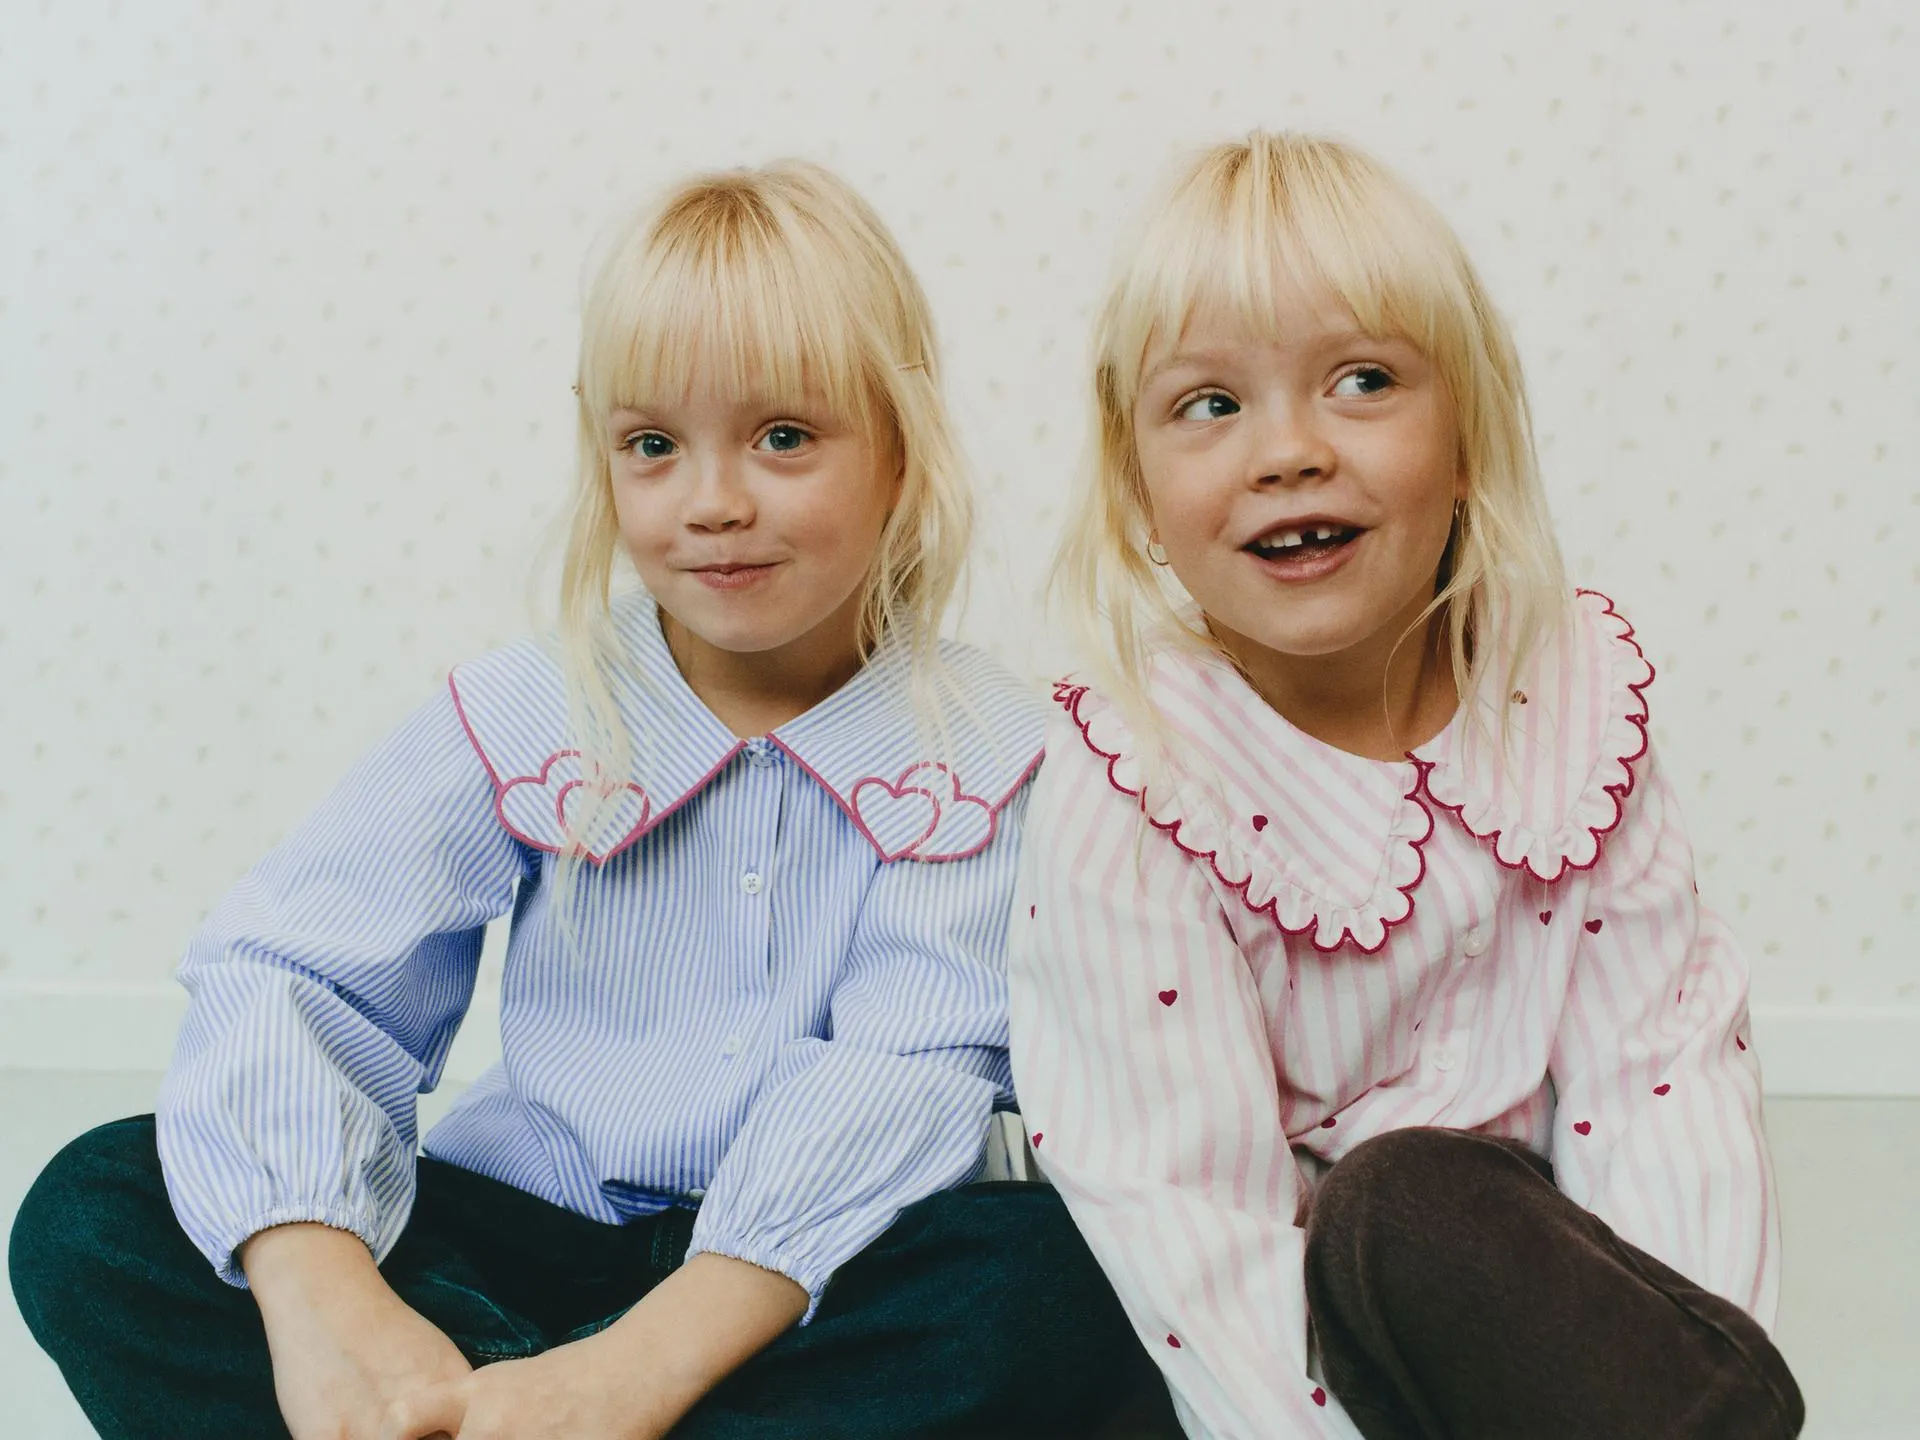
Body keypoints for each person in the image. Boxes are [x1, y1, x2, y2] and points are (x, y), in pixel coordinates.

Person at [12, 160, 1159, 1440]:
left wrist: (631, 1378)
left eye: (785, 438)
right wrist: (327, 1299)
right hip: (512, 1263)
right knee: (94, 1204)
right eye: (653, 447)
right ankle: (453, 1406)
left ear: (899, 447)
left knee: (1052, 1277)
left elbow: (907, 1076)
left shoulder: (994, 750)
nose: (714, 502)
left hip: (796, 1296)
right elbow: (299, 977)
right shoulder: (525, 711)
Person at [1009, 131, 1805, 1439]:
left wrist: (1689, 1354)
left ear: (1469, 438)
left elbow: (1660, 1082)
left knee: (1431, 1208)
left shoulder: (1571, 705)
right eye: (1210, 405)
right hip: (1269, 1357)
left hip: (1534, 1315)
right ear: (1139, 489)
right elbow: (1182, 1206)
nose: (1288, 452)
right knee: (1101, 1264)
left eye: (1363, 380)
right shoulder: (1137, 783)